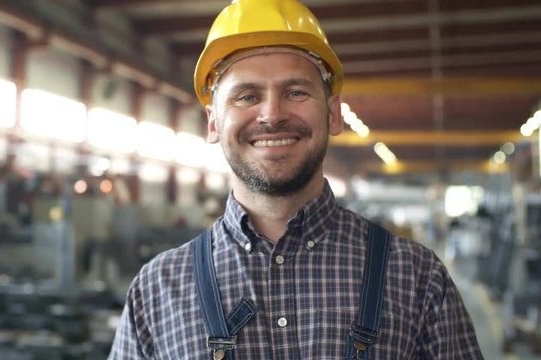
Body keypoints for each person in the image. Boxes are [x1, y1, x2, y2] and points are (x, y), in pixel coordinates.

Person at [108, 0, 483, 358]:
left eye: (295, 92)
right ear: (212, 122)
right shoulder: (157, 290)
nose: (272, 114)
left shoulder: (416, 278)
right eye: (246, 96)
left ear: (333, 114)